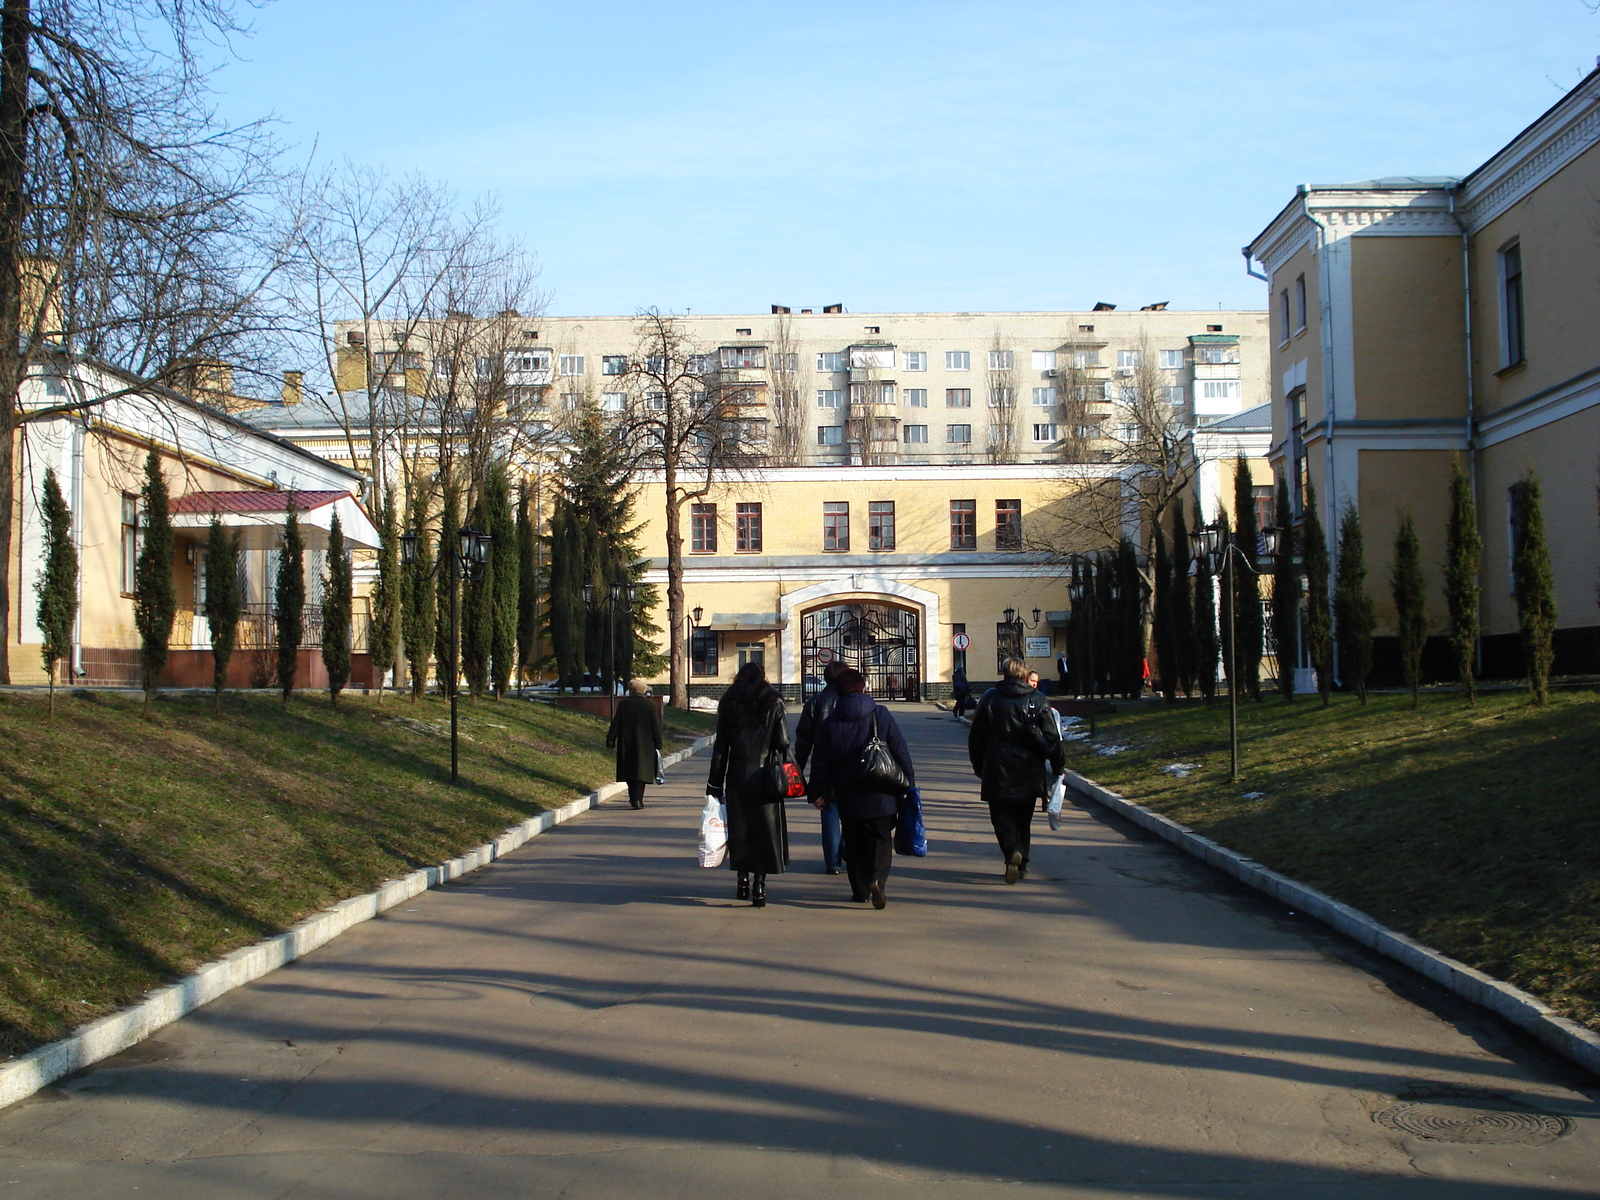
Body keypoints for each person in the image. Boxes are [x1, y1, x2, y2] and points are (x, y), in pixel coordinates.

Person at [808, 668, 914, 909]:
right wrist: (909, 784)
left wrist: (816, 792)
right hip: (882, 790)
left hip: (848, 794)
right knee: (881, 839)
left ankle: (859, 890)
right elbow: (900, 750)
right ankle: (877, 879)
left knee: (854, 843)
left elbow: (821, 762)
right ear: (863, 688)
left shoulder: (830, 724)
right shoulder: (880, 714)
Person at [968, 656, 1065, 884]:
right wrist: (1059, 766)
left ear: (1004, 673)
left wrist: (977, 764)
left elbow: (976, 736)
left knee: (1001, 817)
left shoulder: (990, 698)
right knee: (1024, 819)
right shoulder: (1037, 699)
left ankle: (1012, 851)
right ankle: (1021, 866)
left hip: (997, 767)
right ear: (1024, 675)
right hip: (1029, 769)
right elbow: (1052, 737)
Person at [706, 661, 792, 907]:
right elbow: (783, 742)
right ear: (763, 679)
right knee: (764, 831)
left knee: (740, 830)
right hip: (765, 778)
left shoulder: (729, 704)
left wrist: (714, 784)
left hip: (736, 777)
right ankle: (760, 886)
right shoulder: (773, 703)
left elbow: (720, 749)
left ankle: (741, 878)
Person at [794, 660, 846, 874]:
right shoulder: (852, 701)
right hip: (850, 764)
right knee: (852, 813)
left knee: (829, 811)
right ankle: (848, 851)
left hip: (822, 764)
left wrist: (798, 769)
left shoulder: (814, 703)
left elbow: (804, 740)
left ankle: (833, 863)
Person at [606, 679, 663, 809]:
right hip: (645, 743)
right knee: (641, 772)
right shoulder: (649, 705)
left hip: (626, 741)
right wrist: (658, 743)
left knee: (629, 770)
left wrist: (610, 740)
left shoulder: (624, 704)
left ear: (631, 690)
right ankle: (638, 799)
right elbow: (655, 725)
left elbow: (616, 723)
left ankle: (633, 798)